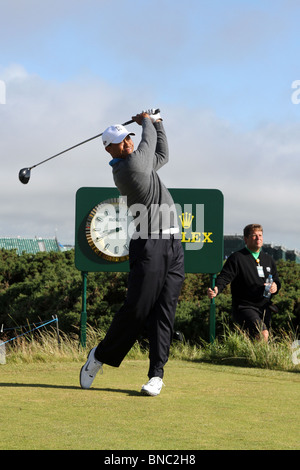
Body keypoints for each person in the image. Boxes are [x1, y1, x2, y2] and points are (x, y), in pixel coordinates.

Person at [80, 109, 185, 396]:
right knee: (137, 309)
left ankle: (156, 375)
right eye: (121, 140)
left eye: (128, 137)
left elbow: (161, 154)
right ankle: (99, 356)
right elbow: (148, 145)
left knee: (165, 311)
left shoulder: (141, 163)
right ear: (108, 148)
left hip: (174, 243)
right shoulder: (127, 169)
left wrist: (159, 125)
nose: (128, 141)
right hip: (148, 244)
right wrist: (147, 121)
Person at [207, 224, 281, 341]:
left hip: (264, 307)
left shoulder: (268, 259)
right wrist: (217, 288)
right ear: (246, 239)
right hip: (244, 307)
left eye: (260, 235)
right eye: (254, 236)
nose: (258, 238)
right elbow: (225, 277)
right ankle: (259, 359)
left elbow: (276, 280)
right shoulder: (237, 258)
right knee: (263, 333)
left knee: (257, 338)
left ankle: (253, 359)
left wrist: (275, 286)